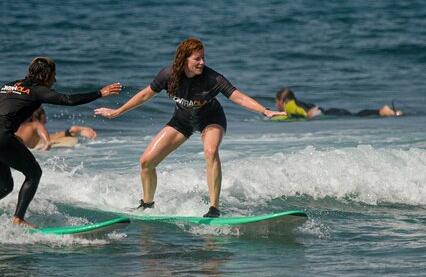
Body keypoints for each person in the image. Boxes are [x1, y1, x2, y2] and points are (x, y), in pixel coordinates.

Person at [94, 37, 286, 218]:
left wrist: (265, 110)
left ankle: (214, 208)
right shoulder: (168, 75)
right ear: (184, 60)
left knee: (210, 152)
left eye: (203, 58)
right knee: (146, 161)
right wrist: (117, 112)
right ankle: (147, 204)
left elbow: (237, 96)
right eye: (197, 59)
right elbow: (145, 95)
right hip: (182, 120)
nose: (202, 62)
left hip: (211, 118)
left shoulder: (213, 79)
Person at [0, 56, 122, 227]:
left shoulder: (11, 86)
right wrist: (99, 93)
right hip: (1, 137)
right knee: (34, 173)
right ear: (46, 76)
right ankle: (18, 219)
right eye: (54, 75)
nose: (55, 79)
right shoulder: (38, 90)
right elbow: (69, 100)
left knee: (4, 186)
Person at [274, 88, 402, 119]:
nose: (276, 104)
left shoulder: (290, 104)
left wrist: (307, 114)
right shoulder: (296, 102)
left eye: (276, 101)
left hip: (327, 113)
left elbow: (298, 111)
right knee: (354, 115)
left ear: (281, 100)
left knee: (355, 116)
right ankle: (387, 112)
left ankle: (382, 111)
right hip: (328, 111)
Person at [15, 106, 97, 150]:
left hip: (12, 144)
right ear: (36, 118)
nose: (46, 122)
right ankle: (69, 132)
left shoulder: (19, 126)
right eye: (44, 118)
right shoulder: (36, 124)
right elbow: (48, 142)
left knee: (39, 140)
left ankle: (69, 132)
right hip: (18, 147)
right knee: (42, 140)